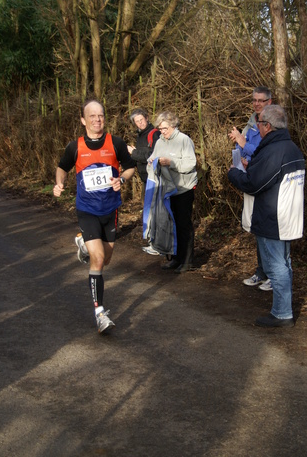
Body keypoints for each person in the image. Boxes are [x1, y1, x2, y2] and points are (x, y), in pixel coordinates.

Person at [53, 100, 136, 334]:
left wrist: (122, 179)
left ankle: (82, 243)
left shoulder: (115, 143)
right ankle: (100, 313)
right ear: (83, 120)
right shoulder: (75, 147)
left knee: (106, 259)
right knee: (98, 259)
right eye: (92, 116)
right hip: (87, 209)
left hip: (111, 209)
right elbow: (62, 167)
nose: (97, 119)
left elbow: (129, 167)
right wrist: (59, 183)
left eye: (100, 115)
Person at [228, 105, 305, 327]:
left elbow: (254, 184)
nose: (256, 126)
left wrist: (234, 173)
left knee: (276, 265)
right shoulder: (290, 148)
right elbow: (271, 176)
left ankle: (282, 313)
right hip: (288, 216)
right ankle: (284, 309)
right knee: (284, 263)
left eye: (259, 123)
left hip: (274, 217)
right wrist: (252, 166)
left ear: (268, 126)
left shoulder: (273, 151)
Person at [229, 86, 273, 291]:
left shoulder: (274, 123)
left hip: (265, 183)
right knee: (256, 228)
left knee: (268, 230)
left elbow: (267, 153)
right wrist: (240, 154)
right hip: (251, 179)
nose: (256, 104)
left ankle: (274, 274)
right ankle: (261, 272)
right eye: (254, 100)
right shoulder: (251, 121)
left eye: (261, 101)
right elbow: (245, 148)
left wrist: (243, 143)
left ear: (269, 102)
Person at [148, 110, 198, 273]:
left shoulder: (184, 140)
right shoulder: (160, 142)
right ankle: (175, 258)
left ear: (173, 125)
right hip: (167, 190)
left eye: (165, 129)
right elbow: (153, 158)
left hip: (184, 189)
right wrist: (152, 162)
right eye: (160, 129)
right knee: (171, 224)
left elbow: (190, 164)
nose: (162, 132)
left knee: (184, 224)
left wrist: (171, 162)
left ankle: (187, 261)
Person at [127, 108, 160, 256]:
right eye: (137, 121)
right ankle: (153, 241)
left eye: (141, 120)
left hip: (154, 179)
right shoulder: (140, 136)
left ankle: (157, 244)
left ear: (147, 118)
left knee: (154, 211)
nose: (140, 123)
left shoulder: (155, 134)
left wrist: (133, 153)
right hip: (146, 179)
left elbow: (152, 154)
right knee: (149, 211)